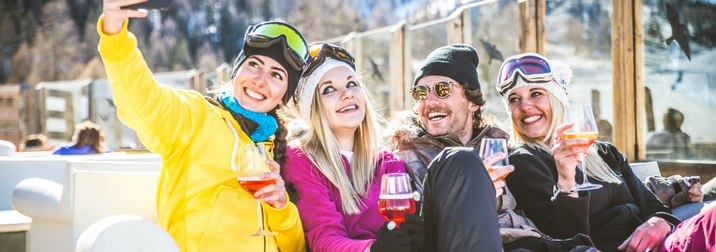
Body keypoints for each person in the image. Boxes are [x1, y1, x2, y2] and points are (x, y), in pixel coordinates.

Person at [98, 1, 309, 251]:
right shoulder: (196, 117)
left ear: (285, 95)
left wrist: (281, 208)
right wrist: (115, 35)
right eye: (254, 65)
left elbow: (294, 247)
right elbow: (143, 101)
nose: (260, 81)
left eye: (277, 75)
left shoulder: (279, 149)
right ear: (237, 71)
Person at [498, 52, 716, 252]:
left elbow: (655, 208)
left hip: (661, 243)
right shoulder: (523, 161)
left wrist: (659, 222)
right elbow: (564, 242)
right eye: (514, 99)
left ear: (558, 100)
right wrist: (567, 182)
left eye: (536, 93)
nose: (525, 106)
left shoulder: (604, 152)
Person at [387, 45, 592, 252]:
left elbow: (555, 230)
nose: (429, 101)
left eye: (442, 89)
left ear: (472, 102)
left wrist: (568, 181)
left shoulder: (503, 151)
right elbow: (410, 238)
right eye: (421, 93)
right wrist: (473, 194)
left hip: (524, 243)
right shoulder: (401, 162)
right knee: (461, 159)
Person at [283, 43, 423, 252]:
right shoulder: (301, 159)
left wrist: (417, 239)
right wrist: (373, 249)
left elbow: (399, 232)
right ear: (312, 109)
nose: (347, 94)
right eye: (329, 89)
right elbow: (324, 238)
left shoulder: (388, 164)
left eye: (351, 84)